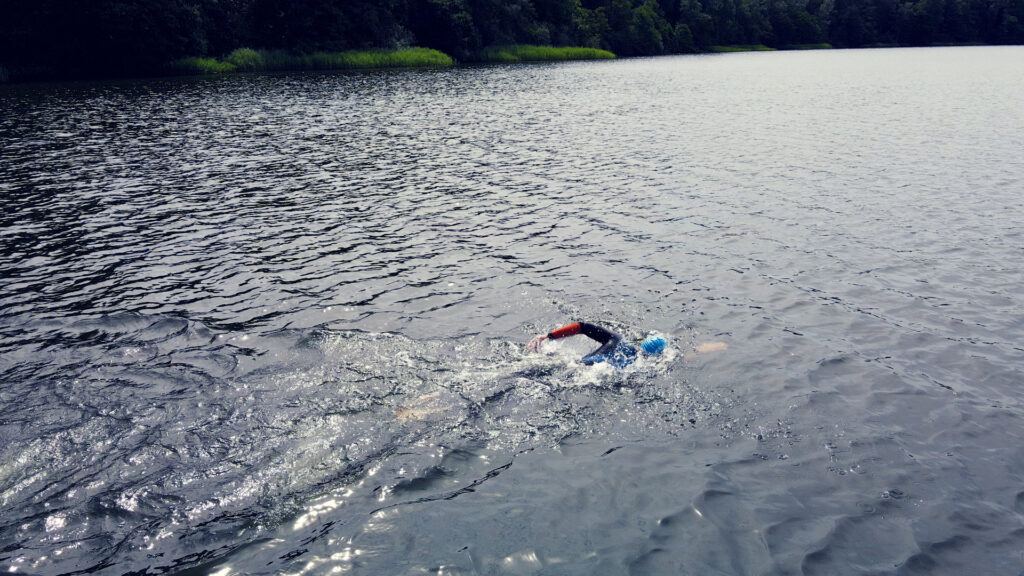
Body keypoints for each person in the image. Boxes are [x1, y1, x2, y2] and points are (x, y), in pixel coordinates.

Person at [526, 322, 667, 368]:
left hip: (573, 365)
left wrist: (549, 336)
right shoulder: (638, 365)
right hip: (582, 373)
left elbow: (582, 326)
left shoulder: (617, 339)